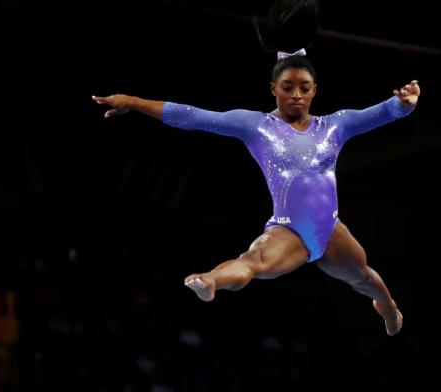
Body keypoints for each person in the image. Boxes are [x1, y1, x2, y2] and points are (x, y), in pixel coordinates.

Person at [92, 19, 419, 335]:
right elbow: (191, 116)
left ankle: (389, 308)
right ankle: (211, 280)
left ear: (315, 90)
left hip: (331, 229)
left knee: (363, 277)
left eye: (304, 88)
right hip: (289, 230)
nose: (296, 95)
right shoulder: (255, 125)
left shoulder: (335, 124)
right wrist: (133, 102)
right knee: (255, 261)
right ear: (273, 88)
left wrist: (403, 103)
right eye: (287, 87)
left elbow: (380, 113)